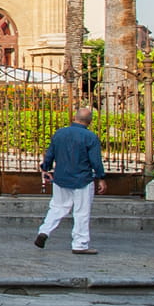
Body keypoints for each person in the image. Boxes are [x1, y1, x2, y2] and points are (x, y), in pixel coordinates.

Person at [35, 106, 106, 254]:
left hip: (61, 177)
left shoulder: (60, 134)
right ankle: (80, 244)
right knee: (81, 212)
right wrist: (100, 177)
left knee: (57, 207)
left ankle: (44, 231)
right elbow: (95, 161)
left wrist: (45, 168)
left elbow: (50, 154)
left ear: (74, 117)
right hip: (82, 179)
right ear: (90, 121)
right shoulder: (90, 137)